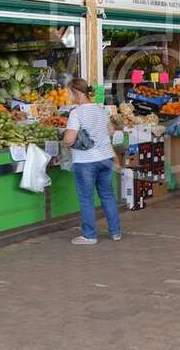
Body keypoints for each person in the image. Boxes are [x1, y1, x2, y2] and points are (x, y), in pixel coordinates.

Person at [62, 78, 121, 245]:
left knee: (86, 199)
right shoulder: (101, 109)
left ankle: (89, 235)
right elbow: (110, 130)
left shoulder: (76, 113)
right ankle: (115, 232)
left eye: (69, 92)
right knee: (108, 196)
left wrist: (63, 141)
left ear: (77, 92)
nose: (68, 95)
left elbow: (69, 139)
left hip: (86, 161)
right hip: (105, 159)